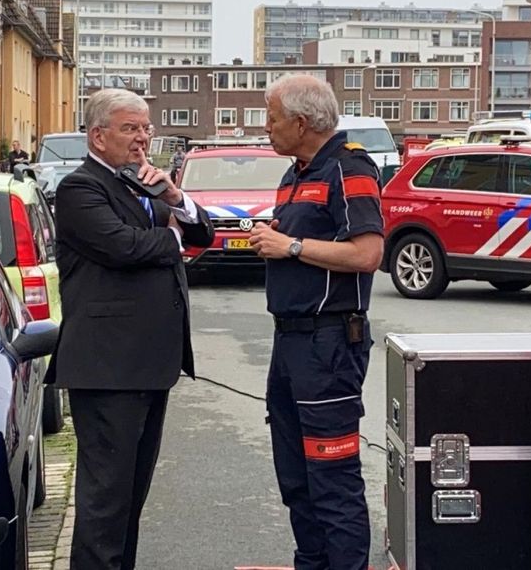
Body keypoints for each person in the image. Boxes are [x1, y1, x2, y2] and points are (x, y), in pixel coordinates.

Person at [47, 88, 214, 570]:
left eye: (146, 128)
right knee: (105, 503)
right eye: (130, 129)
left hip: (148, 366)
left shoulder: (141, 185)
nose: (142, 139)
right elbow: (122, 247)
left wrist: (175, 198)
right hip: (107, 369)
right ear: (98, 136)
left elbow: (203, 232)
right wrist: (169, 237)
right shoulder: (81, 189)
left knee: (130, 500)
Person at [248, 74, 384, 570]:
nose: (266, 128)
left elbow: (368, 253)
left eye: (272, 118)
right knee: (296, 477)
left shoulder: (349, 168)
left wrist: (293, 246)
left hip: (328, 343)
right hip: (290, 343)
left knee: (332, 476)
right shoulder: (296, 174)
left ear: (302, 123)